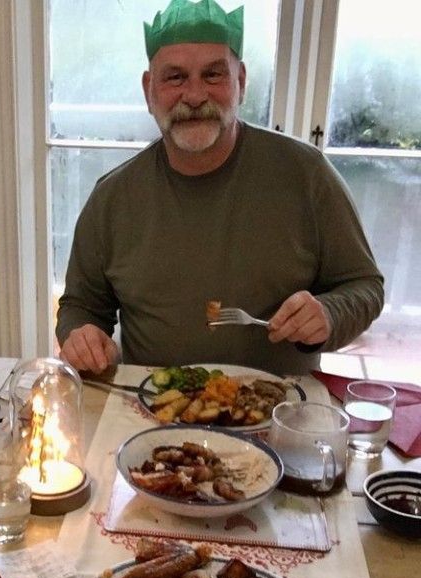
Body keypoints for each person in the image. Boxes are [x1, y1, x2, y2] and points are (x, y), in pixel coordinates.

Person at [56, 0, 384, 376]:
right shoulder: (112, 198)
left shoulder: (307, 175)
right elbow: (80, 305)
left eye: (213, 75)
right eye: (175, 77)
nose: (194, 96)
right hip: (151, 412)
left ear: (241, 82)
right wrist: (82, 336)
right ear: (149, 90)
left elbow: (364, 285)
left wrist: (329, 313)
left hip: (280, 411)